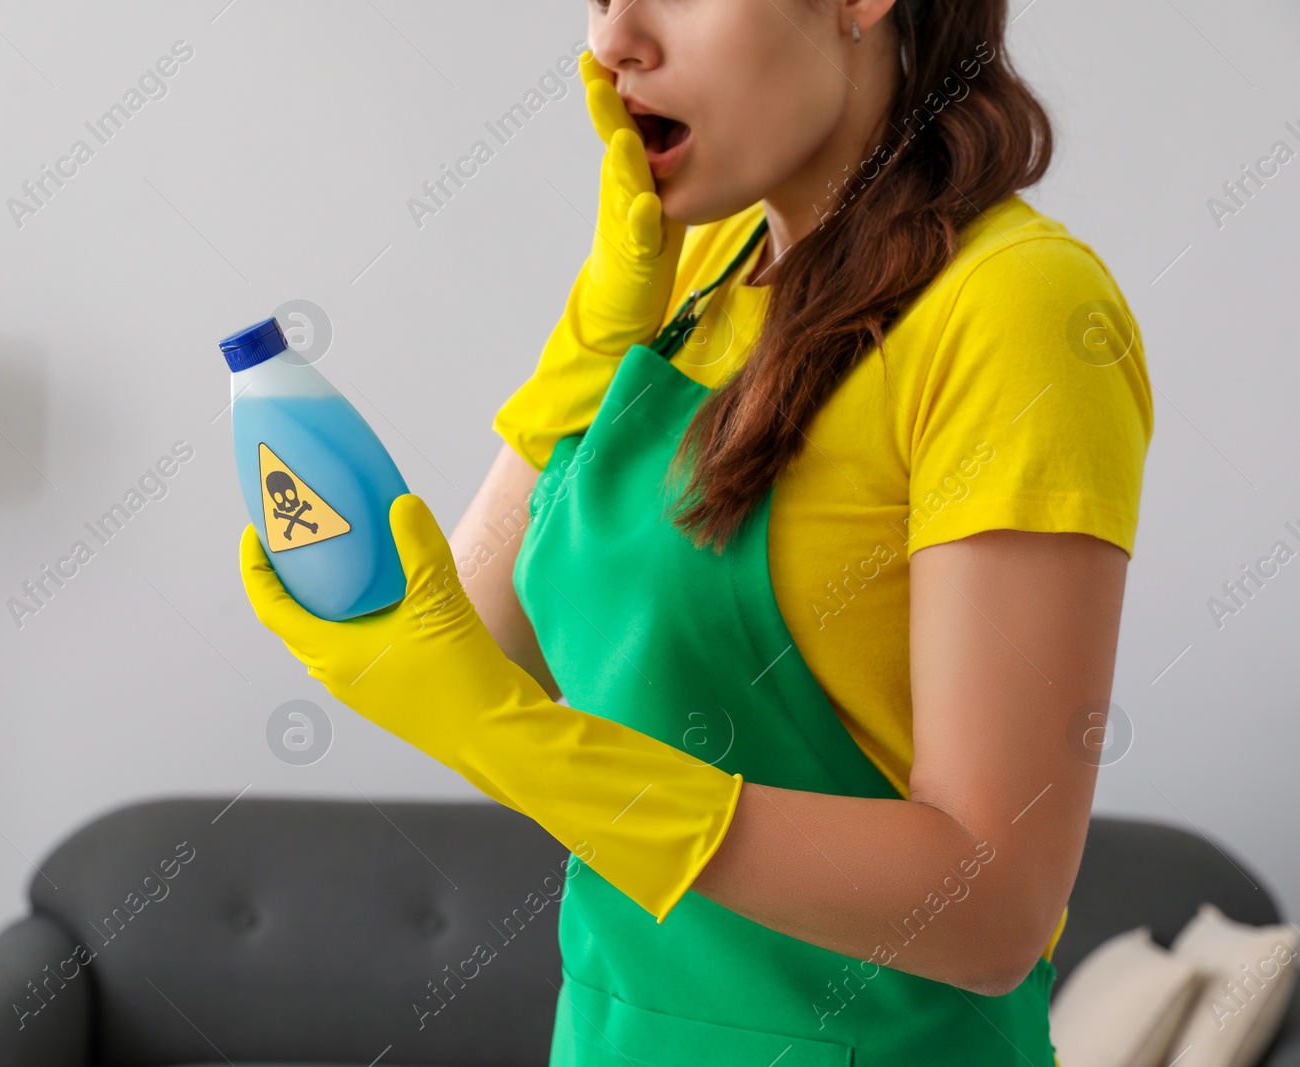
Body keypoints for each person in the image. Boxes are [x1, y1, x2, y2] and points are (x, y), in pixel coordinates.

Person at [240, 0, 1152, 1063]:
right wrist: (592, 337)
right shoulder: (699, 264)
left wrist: (511, 738)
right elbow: (486, 642)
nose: (612, 38)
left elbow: (990, 908)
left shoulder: (1014, 308)